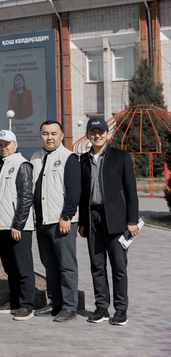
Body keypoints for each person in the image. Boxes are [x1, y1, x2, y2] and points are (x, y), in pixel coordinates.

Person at [78, 117, 139, 326]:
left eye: (100, 132)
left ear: (107, 134)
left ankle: (121, 310)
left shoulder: (121, 157)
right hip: (93, 218)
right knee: (97, 265)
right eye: (93, 132)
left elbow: (131, 191)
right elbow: (83, 194)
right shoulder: (83, 160)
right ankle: (102, 307)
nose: (97, 135)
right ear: (88, 135)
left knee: (118, 266)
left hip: (116, 219)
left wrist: (132, 220)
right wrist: (83, 222)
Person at [31, 120, 81, 322]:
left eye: (53, 133)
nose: (49, 137)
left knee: (66, 266)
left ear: (61, 136)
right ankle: (55, 302)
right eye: (45, 133)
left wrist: (67, 216)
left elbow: (74, 191)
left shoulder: (69, 158)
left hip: (62, 222)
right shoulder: (35, 158)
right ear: (40, 136)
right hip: (42, 222)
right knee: (49, 265)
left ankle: (69, 307)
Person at [0, 130, 35, 321]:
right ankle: (15, 301)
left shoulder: (22, 165)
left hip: (18, 227)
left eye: (7, 144)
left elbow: (25, 197)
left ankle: (27, 305)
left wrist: (18, 224)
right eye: (0, 144)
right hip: (2, 226)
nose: (3, 147)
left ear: (15, 144)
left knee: (23, 267)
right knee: (10, 268)